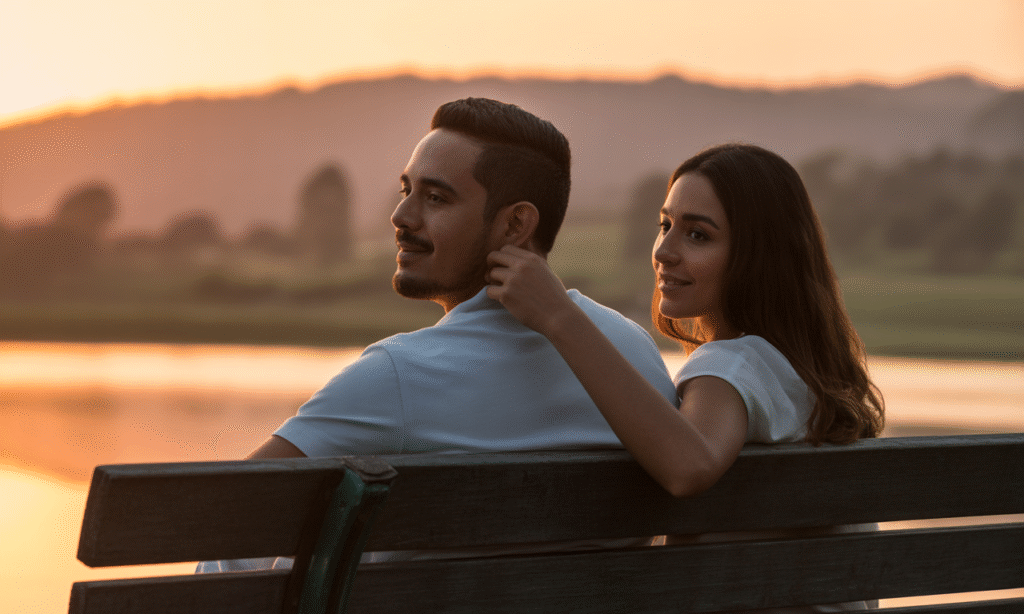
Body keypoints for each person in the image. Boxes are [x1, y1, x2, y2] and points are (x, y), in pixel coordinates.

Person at [197, 98, 677, 571]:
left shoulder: (400, 376)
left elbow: (231, 516)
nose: (402, 217)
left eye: (435, 198)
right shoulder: (633, 350)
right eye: (407, 190)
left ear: (515, 224)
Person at [487, 142, 884, 498]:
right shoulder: (802, 374)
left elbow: (689, 466)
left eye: (697, 235)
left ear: (759, 255)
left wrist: (559, 317)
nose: (664, 251)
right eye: (665, 225)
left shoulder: (731, 368)